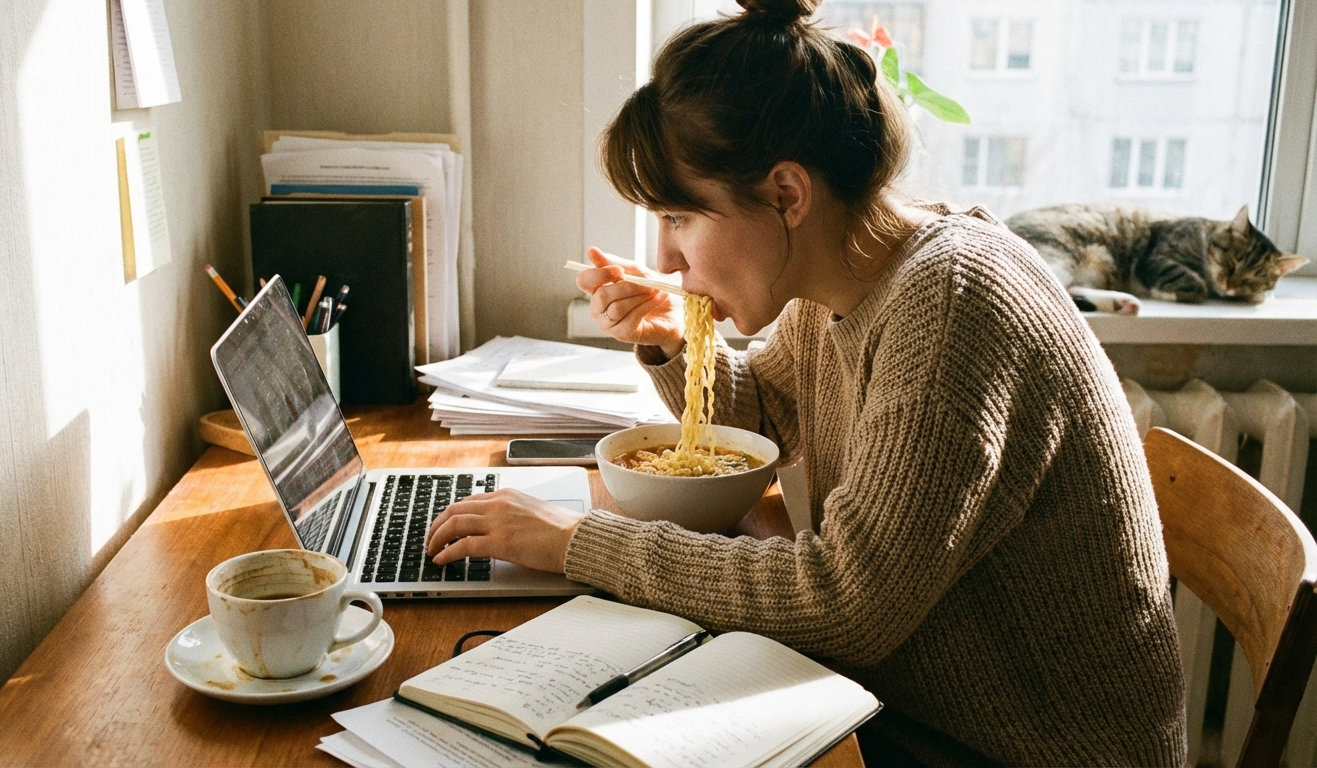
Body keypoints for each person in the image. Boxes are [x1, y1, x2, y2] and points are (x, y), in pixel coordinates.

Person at [426, 0, 1186, 763]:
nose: (664, 259)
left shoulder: (952, 308)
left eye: (680, 217)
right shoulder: (845, 279)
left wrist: (578, 542)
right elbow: (767, 414)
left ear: (787, 193)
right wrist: (670, 340)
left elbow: (845, 601)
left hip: (1010, 747)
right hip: (907, 702)